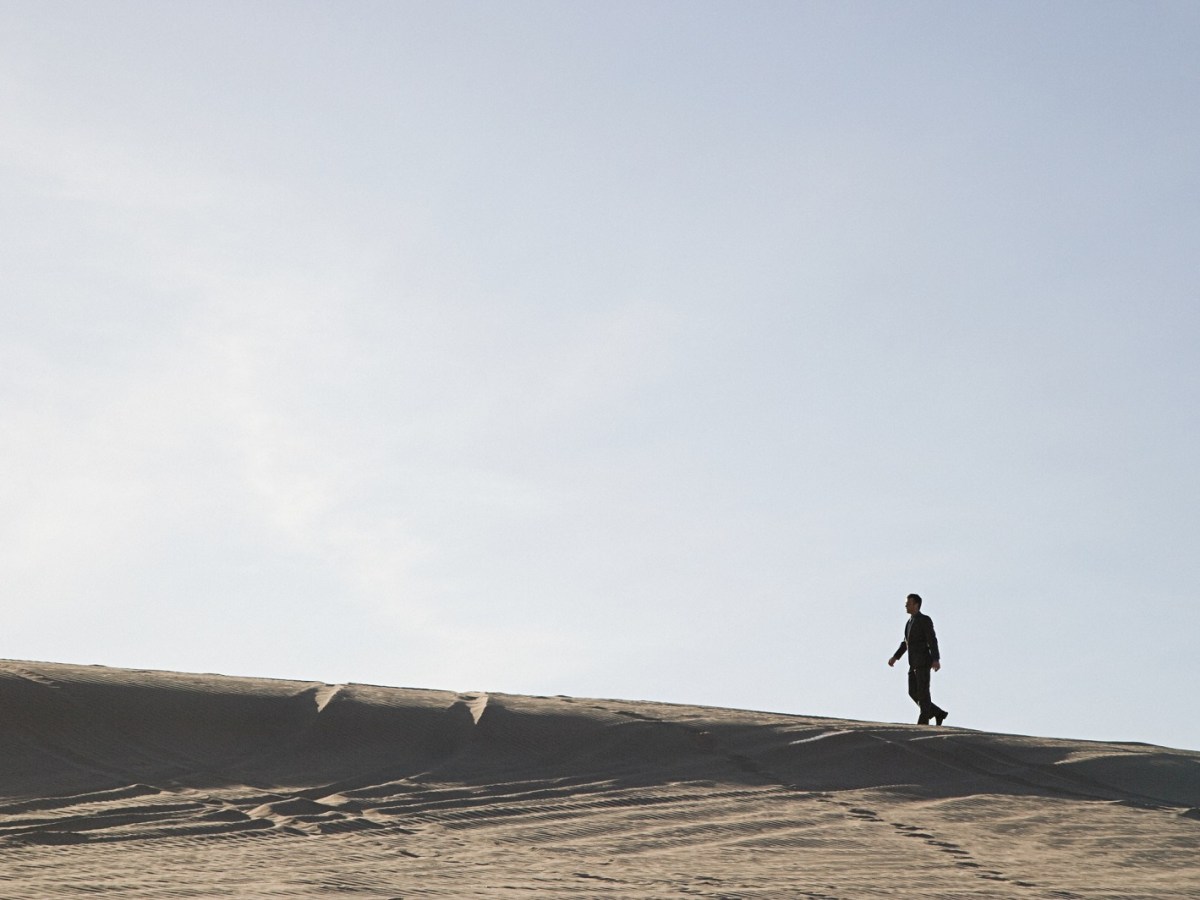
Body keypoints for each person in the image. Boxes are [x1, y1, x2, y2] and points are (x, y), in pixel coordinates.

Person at [888, 593, 948, 726]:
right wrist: (895, 657)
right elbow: (905, 643)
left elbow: (932, 640)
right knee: (912, 692)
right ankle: (937, 713)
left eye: (908, 603)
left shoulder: (924, 620)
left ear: (916, 605)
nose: (905, 605)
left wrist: (936, 659)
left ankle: (923, 724)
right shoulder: (908, 623)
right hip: (913, 663)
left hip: (923, 662)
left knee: (923, 693)